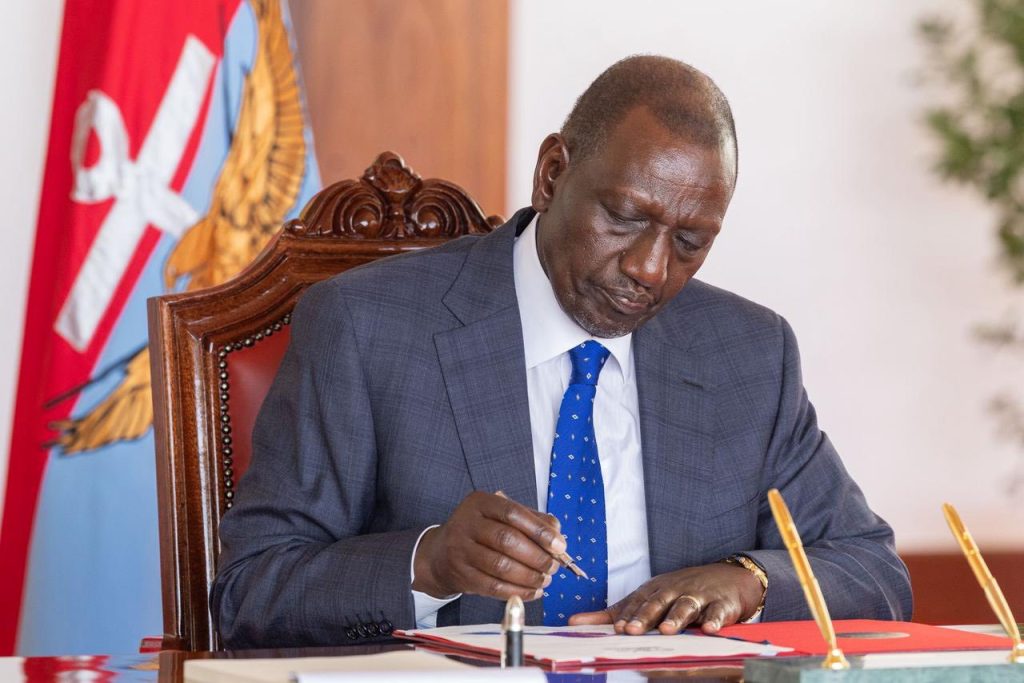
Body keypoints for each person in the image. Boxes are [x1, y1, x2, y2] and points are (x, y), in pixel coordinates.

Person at [211, 55, 912, 649]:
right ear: (552, 175)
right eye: (625, 218)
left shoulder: (747, 353)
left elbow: (873, 572)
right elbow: (251, 593)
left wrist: (747, 581)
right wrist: (431, 563)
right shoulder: (368, 327)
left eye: (690, 242)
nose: (649, 268)